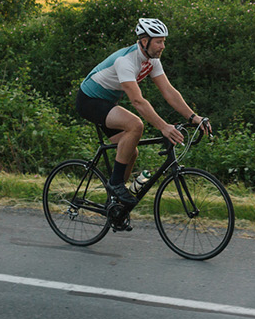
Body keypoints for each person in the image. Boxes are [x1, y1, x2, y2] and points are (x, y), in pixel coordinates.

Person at [74, 18, 211, 226]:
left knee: (131, 151)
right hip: (90, 100)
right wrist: (164, 127)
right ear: (144, 41)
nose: (163, 46)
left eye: (164, 41)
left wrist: (194, 117)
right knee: (135, 125)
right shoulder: (126, 61)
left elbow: (169, 92)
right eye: (159, 42)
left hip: (107, 101)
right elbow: (137, 101)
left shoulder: (152, 60)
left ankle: (115, 204)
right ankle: (116, 185)